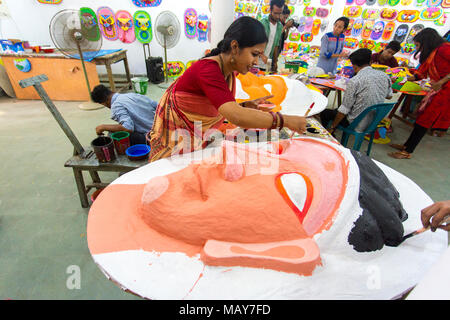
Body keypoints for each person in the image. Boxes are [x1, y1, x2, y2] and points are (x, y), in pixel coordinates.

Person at [148, 16, 307, 162]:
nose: (256, 61)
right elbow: (236, 116)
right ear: (235, 47)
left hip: (193, 142)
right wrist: (285, 120)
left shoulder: (229, 72)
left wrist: (244, 106)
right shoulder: (208, 70)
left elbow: (219, 106)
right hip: (173, 146)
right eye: (254, 54)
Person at [388, 28, 450, 159]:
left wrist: (442, 81)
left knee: (424, 120)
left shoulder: (444, 49)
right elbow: (420, 74)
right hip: (438, 89)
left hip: (445, 91)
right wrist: (401, 77)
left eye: (418, 45)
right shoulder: (432, 53)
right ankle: (406, 146)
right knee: (421, 118)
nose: (418, 49)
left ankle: (407, 152)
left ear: (426, 42)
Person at [319, 48, 393, 134]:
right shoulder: (384, 76)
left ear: (354, 66)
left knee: (326, 112)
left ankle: (330, 134)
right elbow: (389, 96)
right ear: (370, 62)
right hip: (374, 122)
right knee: (341, 109)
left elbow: (344, 109)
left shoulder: (355, 80)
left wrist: (332, 127)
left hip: (356, 123)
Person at [91, 84, 157, 145]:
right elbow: (157, 105)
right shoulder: (131, 95)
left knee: (112, 135)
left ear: (104, 102)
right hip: (161, 128)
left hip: (152, 137)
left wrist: (103, 127)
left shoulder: (116, 105)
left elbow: (127, 128)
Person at [258, 0, 285, 73]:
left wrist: (275, 62)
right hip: (256, 63)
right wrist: (262, 55)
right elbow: (254, 42)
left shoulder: (279, 26)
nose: (278, 16)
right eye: (275, 13)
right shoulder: (262, 23)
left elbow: (276, 45)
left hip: (267, 63)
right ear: (270, 10)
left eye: (280, 13)